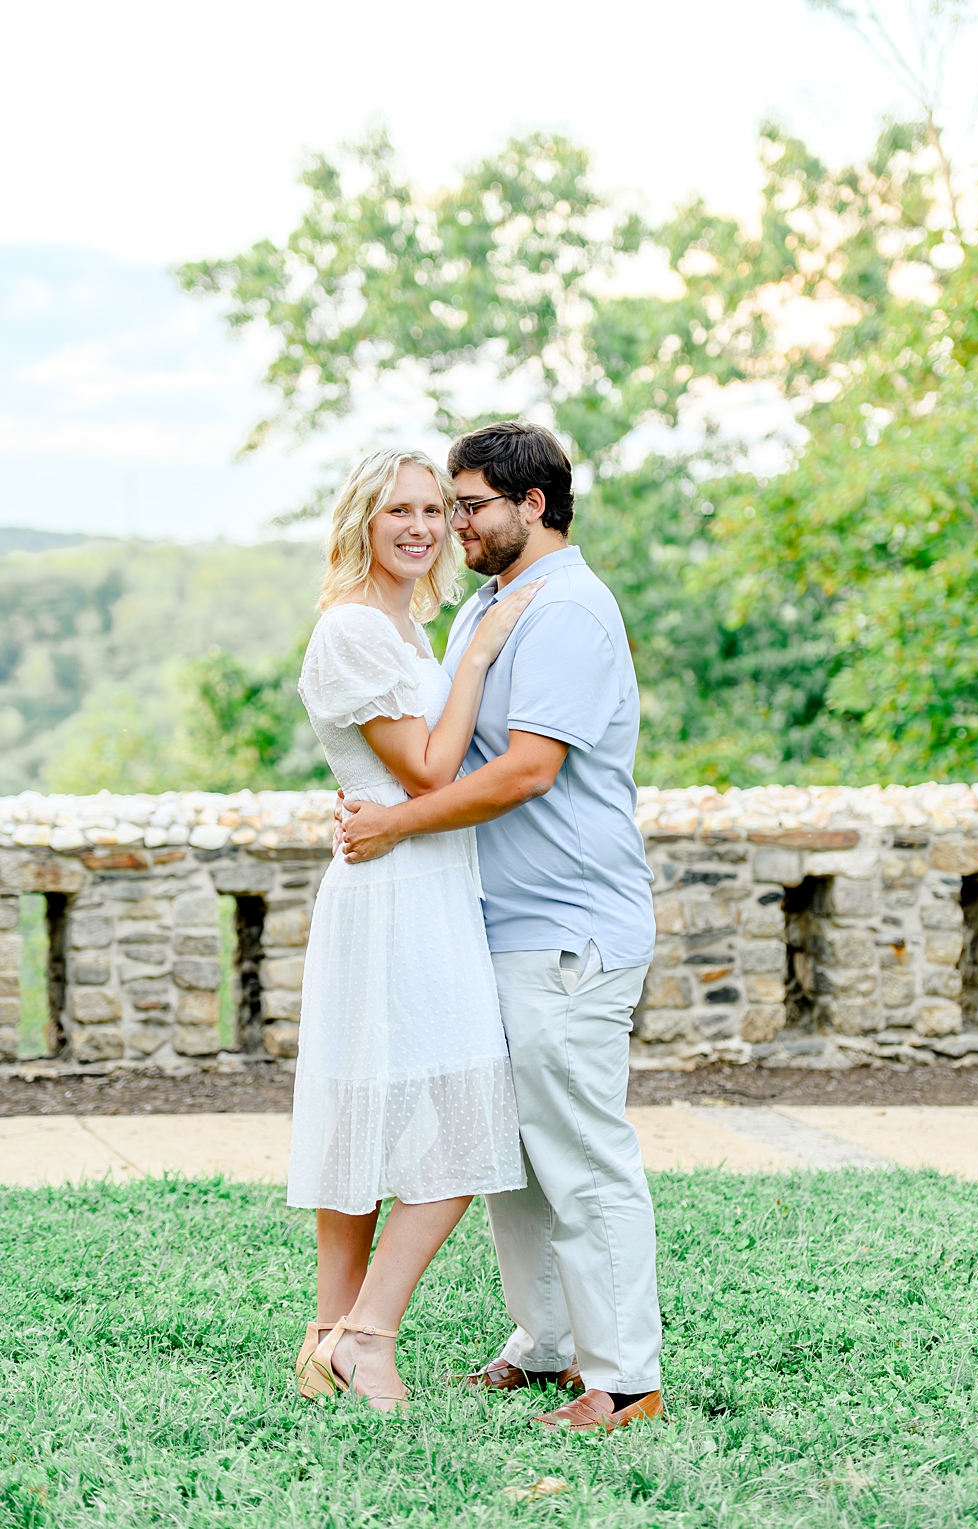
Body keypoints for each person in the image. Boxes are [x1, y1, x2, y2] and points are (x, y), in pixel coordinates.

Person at [335, 421, 663, 1434]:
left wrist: (393, 821)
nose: (452, 523)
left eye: (470, 504)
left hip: (566, 928)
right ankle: (548, 1342)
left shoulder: (564, 609)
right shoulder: (492, 600)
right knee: (510, 1151)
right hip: (500, 925)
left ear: (533, 505)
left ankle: (626, 1380)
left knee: (580, 1152)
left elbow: (527, 769)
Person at [290, 448, 542, 1411]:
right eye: (399, 509)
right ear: (361, 517)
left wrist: (459, 644)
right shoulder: (356, 629)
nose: (422, 526)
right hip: (392, 890)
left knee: (393, 1113)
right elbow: (434, 773)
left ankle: (326, 1340)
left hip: (427, 881)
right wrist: (479, 652)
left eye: (436, 510)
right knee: (456, 1118)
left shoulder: (403, 622)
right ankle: (369, 1333)